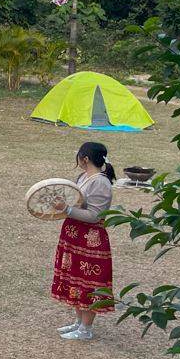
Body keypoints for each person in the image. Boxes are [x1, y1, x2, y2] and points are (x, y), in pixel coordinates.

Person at [52, 141, 116, 342]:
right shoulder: (83, 177)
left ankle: (86, 329)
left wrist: (67, 209)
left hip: (90, 240)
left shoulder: (100, 182)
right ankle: (79, 323)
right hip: (75, 236)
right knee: (75, 279)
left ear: (85, 158)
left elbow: (95, 215)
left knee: (89, 283)